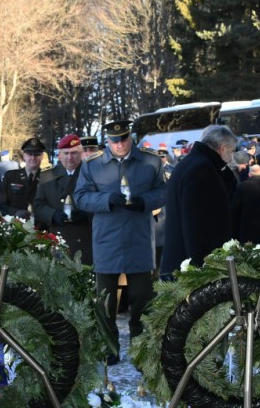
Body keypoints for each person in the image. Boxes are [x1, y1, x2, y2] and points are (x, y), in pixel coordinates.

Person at [73, 120, 166, 362]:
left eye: (124, 139)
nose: (120, 144)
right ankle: (108, 350)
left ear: (131, 137)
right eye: (114, 141)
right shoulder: (92, 165)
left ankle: (141, 351)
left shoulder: (151, 161)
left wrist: (145, 201)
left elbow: (164, 192)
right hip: (107, 241)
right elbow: (81, 197)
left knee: (142, 300)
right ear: (107, 141)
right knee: (106, 303)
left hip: (139, 240)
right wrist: (105, 200)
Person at [160, 125, 238, 278]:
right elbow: (196, 223)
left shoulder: (189, 163)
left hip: (178, 260)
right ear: (222, 149)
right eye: (232, 151)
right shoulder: (202, 169)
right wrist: (202, 266)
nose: (232, 157)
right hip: (189, 268)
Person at [34, 134, 92, 265]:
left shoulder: (91, 174)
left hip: (85, 239)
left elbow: (100, 202)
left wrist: (87, 214)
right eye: (66, 153)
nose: (69, 157)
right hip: (59, 239)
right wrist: (52, 214)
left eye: (74, 153)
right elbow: (38, 205)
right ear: (59, 155)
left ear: (81, 153)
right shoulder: (47, 175)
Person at [0, 137, 46, 219]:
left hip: (40, 226)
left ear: (42, 156)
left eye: (36, 154)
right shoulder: (10, 176)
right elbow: (0, 203)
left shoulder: (48, 178)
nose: (33, 158)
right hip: (14, 225)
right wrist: (15, 212)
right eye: (29, 154)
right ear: (24, 155)